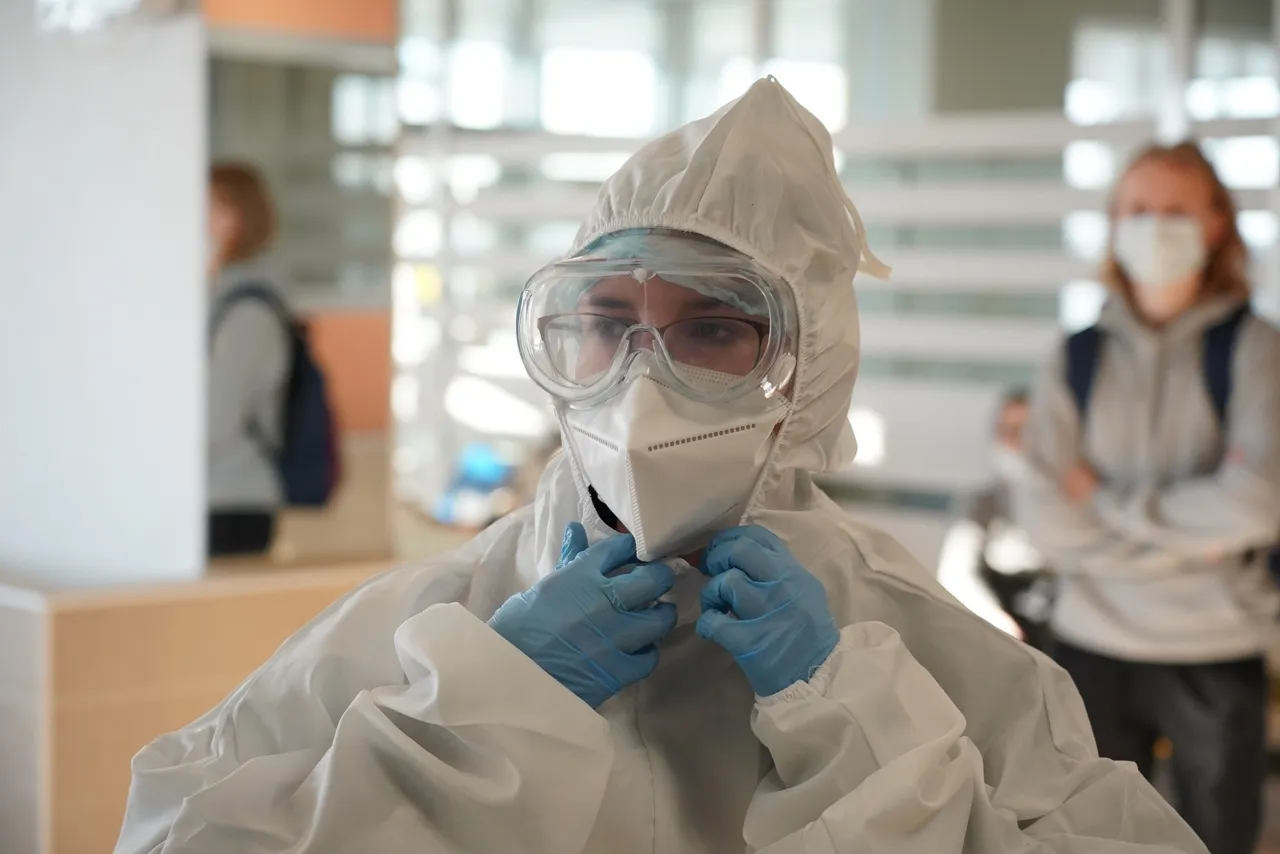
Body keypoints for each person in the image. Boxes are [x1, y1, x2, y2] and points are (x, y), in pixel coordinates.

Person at [115, 80, 1204, 854]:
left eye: (713, 329)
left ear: (810, 368)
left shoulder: (922, 649)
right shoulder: (438, 618)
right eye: (604, 322)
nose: (642, 384)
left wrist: (863, 735)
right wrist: (478, 714)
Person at [1014, 141, 1280, 854]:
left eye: (1175, 210)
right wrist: (1196, 542)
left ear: (1216, 224)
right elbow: (1045, 519)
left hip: (1215, 650)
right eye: (1137, 209)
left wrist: (1103, 500)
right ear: (1113, 221)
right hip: (1090, 646)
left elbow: (1257, 504)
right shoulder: (1073, 356)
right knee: (1087, 840)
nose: (1154, 226)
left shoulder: (1257, 350)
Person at [206, 163, 291, 557]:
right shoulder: (222, 299)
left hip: (233, 503)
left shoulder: (247, 311)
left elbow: (216, 420)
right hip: (221, 499)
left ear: (232, 219)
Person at [937, 388, 1056, 649]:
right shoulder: (983, 503)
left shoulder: (1067, 503)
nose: (1017, 441)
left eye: (1026, 431)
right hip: (1001, 634)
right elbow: (956, 573)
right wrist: (996, 619)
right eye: (1008, 431)